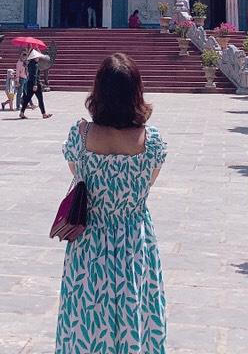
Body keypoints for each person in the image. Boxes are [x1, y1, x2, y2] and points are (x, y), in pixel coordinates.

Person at [55, 53, 167, 353]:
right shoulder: (152, 141)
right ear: (136, 92)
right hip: (134, 243)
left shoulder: (80, 136)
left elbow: (77, 175)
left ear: (98, 92)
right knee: (135, 313)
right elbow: (149, 182)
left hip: (89, 243)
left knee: (85, 318)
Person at [19, 49, 51, 119]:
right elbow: (35, 76)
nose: (39, 58)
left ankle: (22, 112)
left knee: (27, 99)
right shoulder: (35, 65)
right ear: (35, 57)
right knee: (40, 99)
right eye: (38, 57)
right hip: (35, 84)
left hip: (29, 83)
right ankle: (44, 114)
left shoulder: (29, 64)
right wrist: (35, 84)